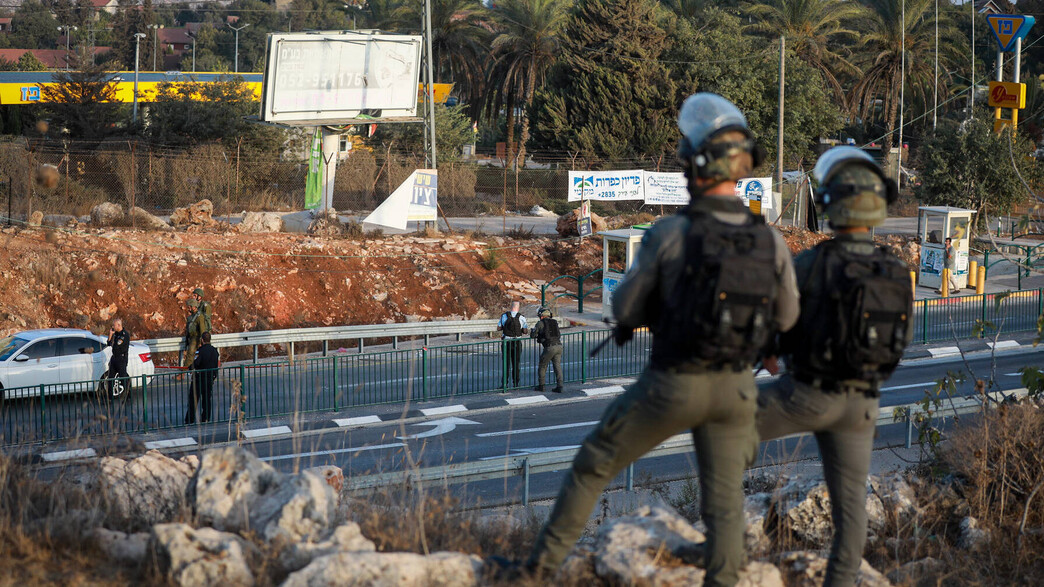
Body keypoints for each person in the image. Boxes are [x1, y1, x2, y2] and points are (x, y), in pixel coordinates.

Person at [490, 93, 800, 585]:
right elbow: (787, 318)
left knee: (593, 465)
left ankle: (538, 570)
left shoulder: (670, 232)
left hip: (673, 383)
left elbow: (626, 307)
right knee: (722, 500)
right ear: (739, 172)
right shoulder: (770, 241)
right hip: (738, 388)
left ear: (692, 167)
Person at [758, 146, 913, 587]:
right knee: (850, 511)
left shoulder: (812, 261)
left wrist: (769, 354)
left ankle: (725, 549)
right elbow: (899, 339)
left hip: (807, 394)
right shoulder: (895, 269)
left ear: (828, 205)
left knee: (723, 428)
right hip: (863, 402)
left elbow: (775, 324)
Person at [186, 331, 220, 424]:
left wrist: (190, 367)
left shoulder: (200, 351)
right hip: (209, 379)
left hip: (199, 379)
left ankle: (189, 420)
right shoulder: (215, 351)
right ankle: (206, 418)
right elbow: (216, 365)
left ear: (202, 340)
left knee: (193, 400)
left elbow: (196, 363)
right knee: (207, 400)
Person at [530, 307, 563, 393]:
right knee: (557, 366)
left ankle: (541, 386)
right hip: (559, 346)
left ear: (541, 316)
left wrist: (533, 331)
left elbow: (533, 335)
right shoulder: (554, 322)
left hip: (549, 347)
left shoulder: (540, 323)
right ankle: (560, 386)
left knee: (542, 366)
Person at [497, 300, 529, 388]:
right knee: (516, 363)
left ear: (511, 307)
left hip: (506, 342)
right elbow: (525, 331)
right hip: (517, 342)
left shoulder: (504, 316)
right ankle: (516, 383)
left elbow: (498, 328)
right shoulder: (521, 317)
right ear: (518, 308)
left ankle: (504, 384)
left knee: (506, 364)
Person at [105, 318, 130, 397]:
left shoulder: (124, 335)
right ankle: (109, 397)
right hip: (114, 358)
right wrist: (110, 334)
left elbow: (117, 346)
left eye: (114, 325)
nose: (113, 327)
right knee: (110, 378)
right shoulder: (115, 334)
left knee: (123, 378)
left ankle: (128, 396)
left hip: (121, 359)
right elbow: (109, 343)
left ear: (119, 325)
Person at [182, 298, 205, 373]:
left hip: (196, 338)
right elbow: (188, 330)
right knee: (190, 355)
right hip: (191, 338)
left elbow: (202, 330)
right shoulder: (190, 317)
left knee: (190, 355)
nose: (188, 308)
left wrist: (202, 341)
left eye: (189, 307)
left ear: (194, 307)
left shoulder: (199, 317)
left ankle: (182, 373)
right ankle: (190, 370)